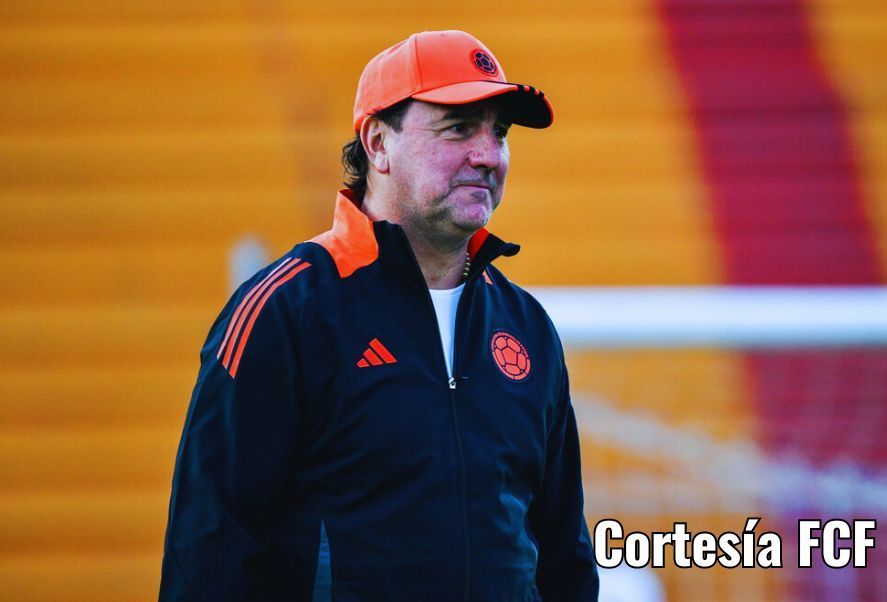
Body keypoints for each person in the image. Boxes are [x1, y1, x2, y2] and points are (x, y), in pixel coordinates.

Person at [159, 30, 598, 601]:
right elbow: (208, 555)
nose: (488, 154)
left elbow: (564, 556)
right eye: (459, 127)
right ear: (377, 144)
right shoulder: (284, 312)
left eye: (500, 132)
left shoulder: (528, 328)